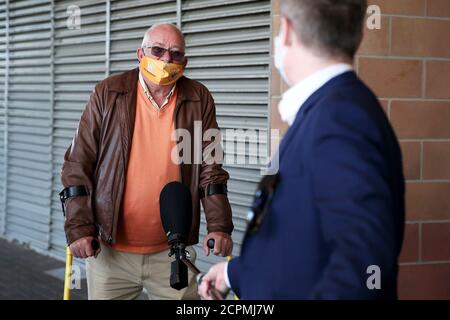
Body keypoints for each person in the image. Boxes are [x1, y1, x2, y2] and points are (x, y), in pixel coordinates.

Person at [199, 0, 405, 300]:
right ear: (358, 34)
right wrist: (235, 273)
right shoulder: (328, 110)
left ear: (287, 32)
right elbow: (301, 243)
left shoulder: (341, 121)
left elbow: (362, 270)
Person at [60, 23, 233, 300]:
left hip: (173, 253)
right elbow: (77, 165)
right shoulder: (108, 93)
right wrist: (79, 228)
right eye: (158, 50)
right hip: (110, 252)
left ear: (184, 63)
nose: (166, 60)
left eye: (175, 54)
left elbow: (211, 169)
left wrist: (219, 225)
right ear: (140, 54)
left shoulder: (198, 98)